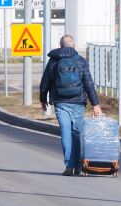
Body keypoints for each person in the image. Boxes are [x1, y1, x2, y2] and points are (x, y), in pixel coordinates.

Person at [39, 35, 102, 177]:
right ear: (74, 45)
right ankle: (78, 165)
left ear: (60, 46)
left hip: (60, 103)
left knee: (65, 133)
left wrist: (43, 100)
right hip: (78, 102)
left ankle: (69, 165)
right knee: (77, 134)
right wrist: (95, 104)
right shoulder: (80, 61)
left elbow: (45, 82)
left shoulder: (54, 61)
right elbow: (88, 83)